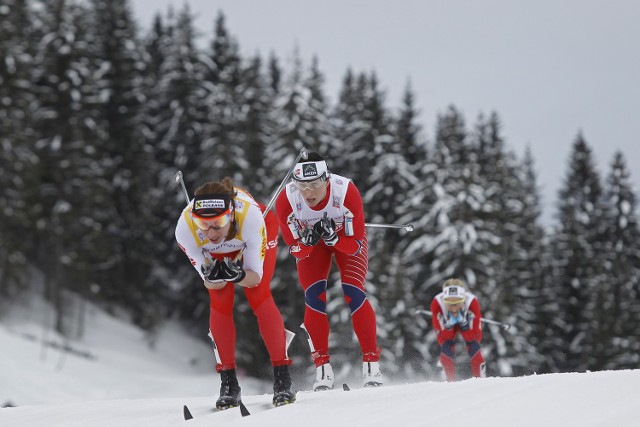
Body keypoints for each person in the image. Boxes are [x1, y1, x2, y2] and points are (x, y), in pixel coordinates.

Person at [175, 178, 295, 408]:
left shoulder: (250, 218)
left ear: (230, 215)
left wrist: (238, 275)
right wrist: (217, 276)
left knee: (258, 295)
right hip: (217, 251)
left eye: (218, 223)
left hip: (252, 234)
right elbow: (213, 286)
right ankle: (229, 383)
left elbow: (254, 279)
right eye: (203, 225)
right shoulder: (186, 230)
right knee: (219, 300)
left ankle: (282, 379)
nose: (210, 232)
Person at [274, 151, 383, 390]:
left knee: (353, 292)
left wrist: (334, 238)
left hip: (345, 239)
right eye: (302, 185)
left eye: (314, 185)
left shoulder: (345, 191)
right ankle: (323, 370)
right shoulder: (287, 199)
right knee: (313, 297)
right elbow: (295, 250)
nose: (309, 193)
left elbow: (354, 245)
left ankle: (371, 365)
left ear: (327, 179)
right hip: (313, 246)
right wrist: (307, 243)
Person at [430, 279, 486, 381]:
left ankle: (479, 380)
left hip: (468, 321)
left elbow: (476, 338)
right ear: (443, 299)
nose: (454, 307)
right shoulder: (436, 304)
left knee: (474, 346)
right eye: (449, 302)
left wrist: (465, 326)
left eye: (457, 302)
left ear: (464, 299)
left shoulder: (472, 303)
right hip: (447, 322)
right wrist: (449, 327)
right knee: (446, 347)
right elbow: (443, 339)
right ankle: (448, 381)